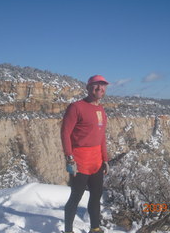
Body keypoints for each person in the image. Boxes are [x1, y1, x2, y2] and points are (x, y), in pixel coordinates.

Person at [61, 75, 110, 233]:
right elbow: (65, 133)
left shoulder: (101, 109)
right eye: (96, 85)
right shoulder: (76, 107)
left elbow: (101, 136)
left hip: (96, 161)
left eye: (102, 85)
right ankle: (68, 230)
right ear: (88, 87)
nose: (99, 88)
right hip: (80, 161)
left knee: (96, 196)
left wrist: (105, 159)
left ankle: (95, 228)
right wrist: (69, 158)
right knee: (76, 197)